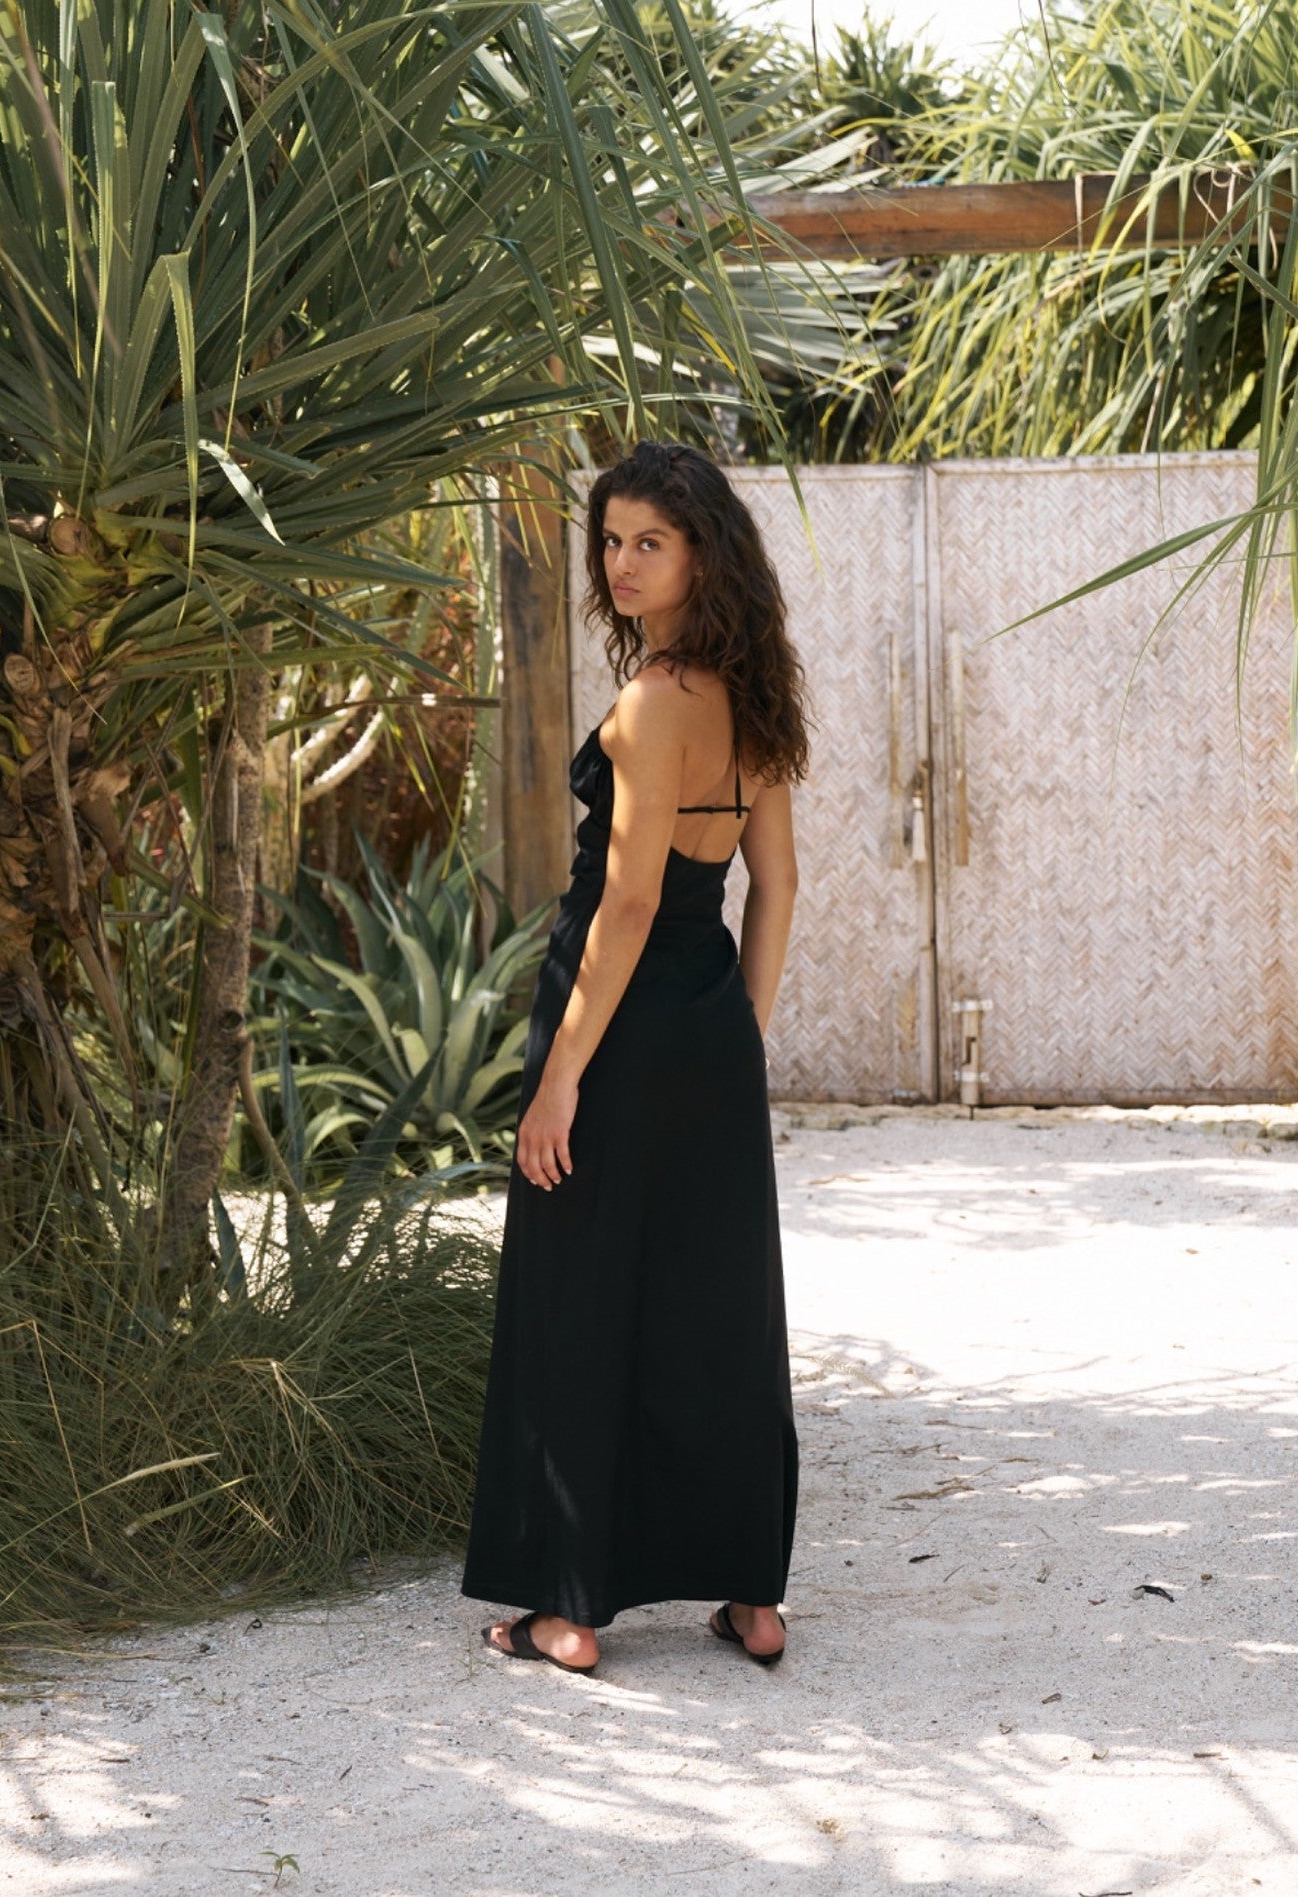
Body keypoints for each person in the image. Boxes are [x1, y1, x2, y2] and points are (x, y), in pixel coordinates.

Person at [461, 439, 808, 1675]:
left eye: (647, 541)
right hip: (708, 1018)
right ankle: (752, 1596)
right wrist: (739, 1036)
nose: (619, 562)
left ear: (700, 551)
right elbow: (773, 887)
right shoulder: (753, 699)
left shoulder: (655, 702)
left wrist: (559, 1073)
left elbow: (622, 904)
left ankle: (569, 1609)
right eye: (609, 539)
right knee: (716, 1303)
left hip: (611, 1022)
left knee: (579, 1295)